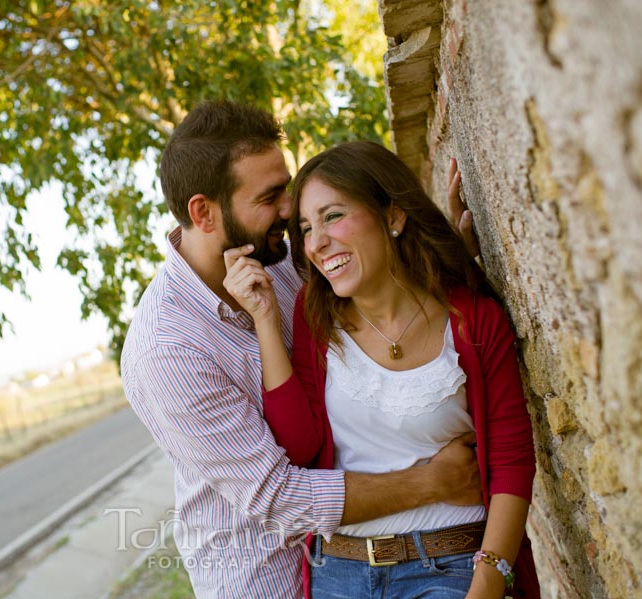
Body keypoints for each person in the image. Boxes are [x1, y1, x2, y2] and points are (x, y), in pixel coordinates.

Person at [121, 101, 483, 599]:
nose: (291, 210)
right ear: (203, 212)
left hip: (354, 560)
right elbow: (276, 497)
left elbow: (383, 293)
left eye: (286, 187)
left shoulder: (286, 260)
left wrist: (447, 256)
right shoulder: (167, 351)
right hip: (267, 580)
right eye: (270, 197)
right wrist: (432, 482)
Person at [223, 140, 540, 598]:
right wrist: (265, 320)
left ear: (393, 216)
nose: (317, 243)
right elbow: (298, 446)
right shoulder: (314, 322)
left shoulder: (472, 320)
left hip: (453, 567)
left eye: (333, 216)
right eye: (306, 228)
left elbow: (512, 459)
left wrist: (488, 581)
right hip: (342, 573)